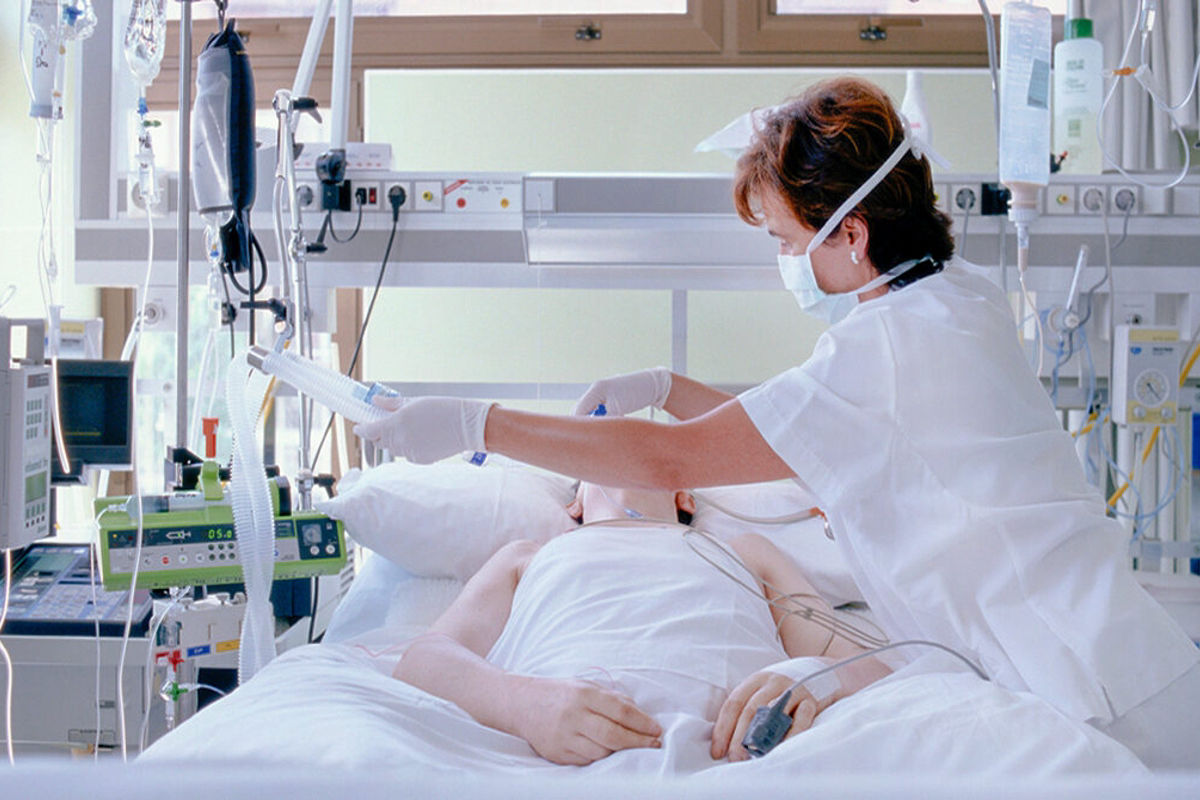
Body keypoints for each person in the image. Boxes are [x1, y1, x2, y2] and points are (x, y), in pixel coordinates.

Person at [356, 76, 1200, 769]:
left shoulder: (877, 353)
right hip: (1095, 652)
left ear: (852, 235)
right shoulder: (955, 300)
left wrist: (476, 423)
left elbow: (669, 456)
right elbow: (789, 428)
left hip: (1078, 684)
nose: (786, 262)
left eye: (789, 241)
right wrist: (664, 383)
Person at [391, 482, 888, 766]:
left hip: (740, 759)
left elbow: (868, 665)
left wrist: (811, 678)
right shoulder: (529, 556)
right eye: (601, 443)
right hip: (553, 764)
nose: (620, 448)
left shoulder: (743, 552)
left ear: (684, 497)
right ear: (574, 506)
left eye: (640, 445)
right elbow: (424, 661)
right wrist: (521, 704)